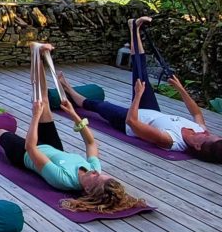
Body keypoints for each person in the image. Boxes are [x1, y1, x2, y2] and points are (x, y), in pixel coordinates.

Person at [0, 43, 145, 214]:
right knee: (43, 101)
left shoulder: (63, 180)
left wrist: (36, 116)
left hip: (24, 155)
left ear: (89, 190)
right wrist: (73, 114)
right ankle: (37, 54)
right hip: (53, 149)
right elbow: (91, 144)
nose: (95, 172)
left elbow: (31, 148)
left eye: (96, 178)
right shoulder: (95, 170)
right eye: (101, 174)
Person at [58, 18, 222, 163]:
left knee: (96, 105)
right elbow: (197, 114)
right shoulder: (201, 131)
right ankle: (134, 27)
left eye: (208, 136)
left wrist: (137, 96)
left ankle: (68, 89)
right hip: (152, 112)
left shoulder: (171, 140)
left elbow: (133, 123)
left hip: (127, 119)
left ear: (198, 146)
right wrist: (181, 89)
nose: (207, 132)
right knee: (140, 70)